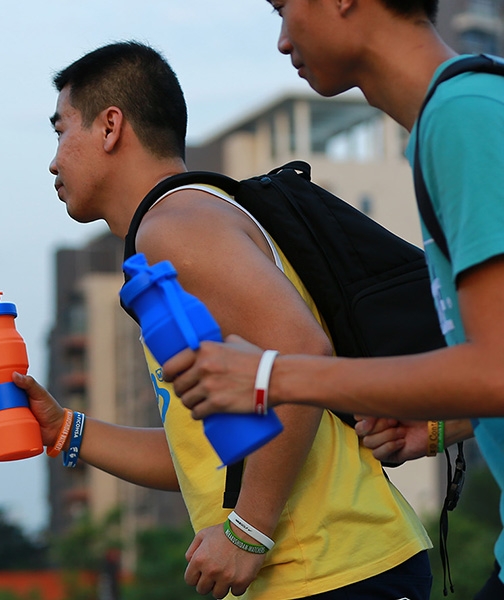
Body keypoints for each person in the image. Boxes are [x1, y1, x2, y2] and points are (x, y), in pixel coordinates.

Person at [0, 41, 434, 599]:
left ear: (110, 127)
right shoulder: (176, 232)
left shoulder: (176, 225)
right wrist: (65, 429)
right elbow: (209, 458)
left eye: (61, 130)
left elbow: (302, 355)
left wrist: (248, 534)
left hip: (333, 570)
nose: (53, 159)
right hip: (324, 573)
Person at [162, 1, 504, 598]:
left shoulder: (463, 120)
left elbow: (495, 366)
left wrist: (272, 376)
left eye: (283, 7)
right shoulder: (453, 121)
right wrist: (453, 423)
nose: (281, 39)